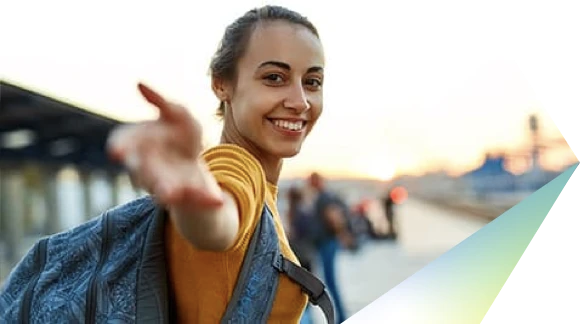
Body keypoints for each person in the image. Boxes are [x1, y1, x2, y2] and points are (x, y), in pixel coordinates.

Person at [0, 5, 334, 323]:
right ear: (222, 84)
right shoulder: (235, 166)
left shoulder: (263, 191)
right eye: (274, 77)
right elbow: (219, 218)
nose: (300, 101)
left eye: (312, 82)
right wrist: (195, 195)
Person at [306, 172, 353, 323]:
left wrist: (342, 234)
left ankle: (341, 317)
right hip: (326, 243)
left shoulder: (324, 197)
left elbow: (334, 217)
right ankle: (340, 316)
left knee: (331, 282)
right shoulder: (324, 196)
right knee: (330, 281)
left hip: (327, 243)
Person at [286, 186, 317, 324]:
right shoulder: (304, 212)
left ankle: (306, 320)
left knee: (301, 295)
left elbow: (296, 235)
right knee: (307, 294)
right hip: (306, 255)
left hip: (299, 257)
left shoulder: (295, 214)